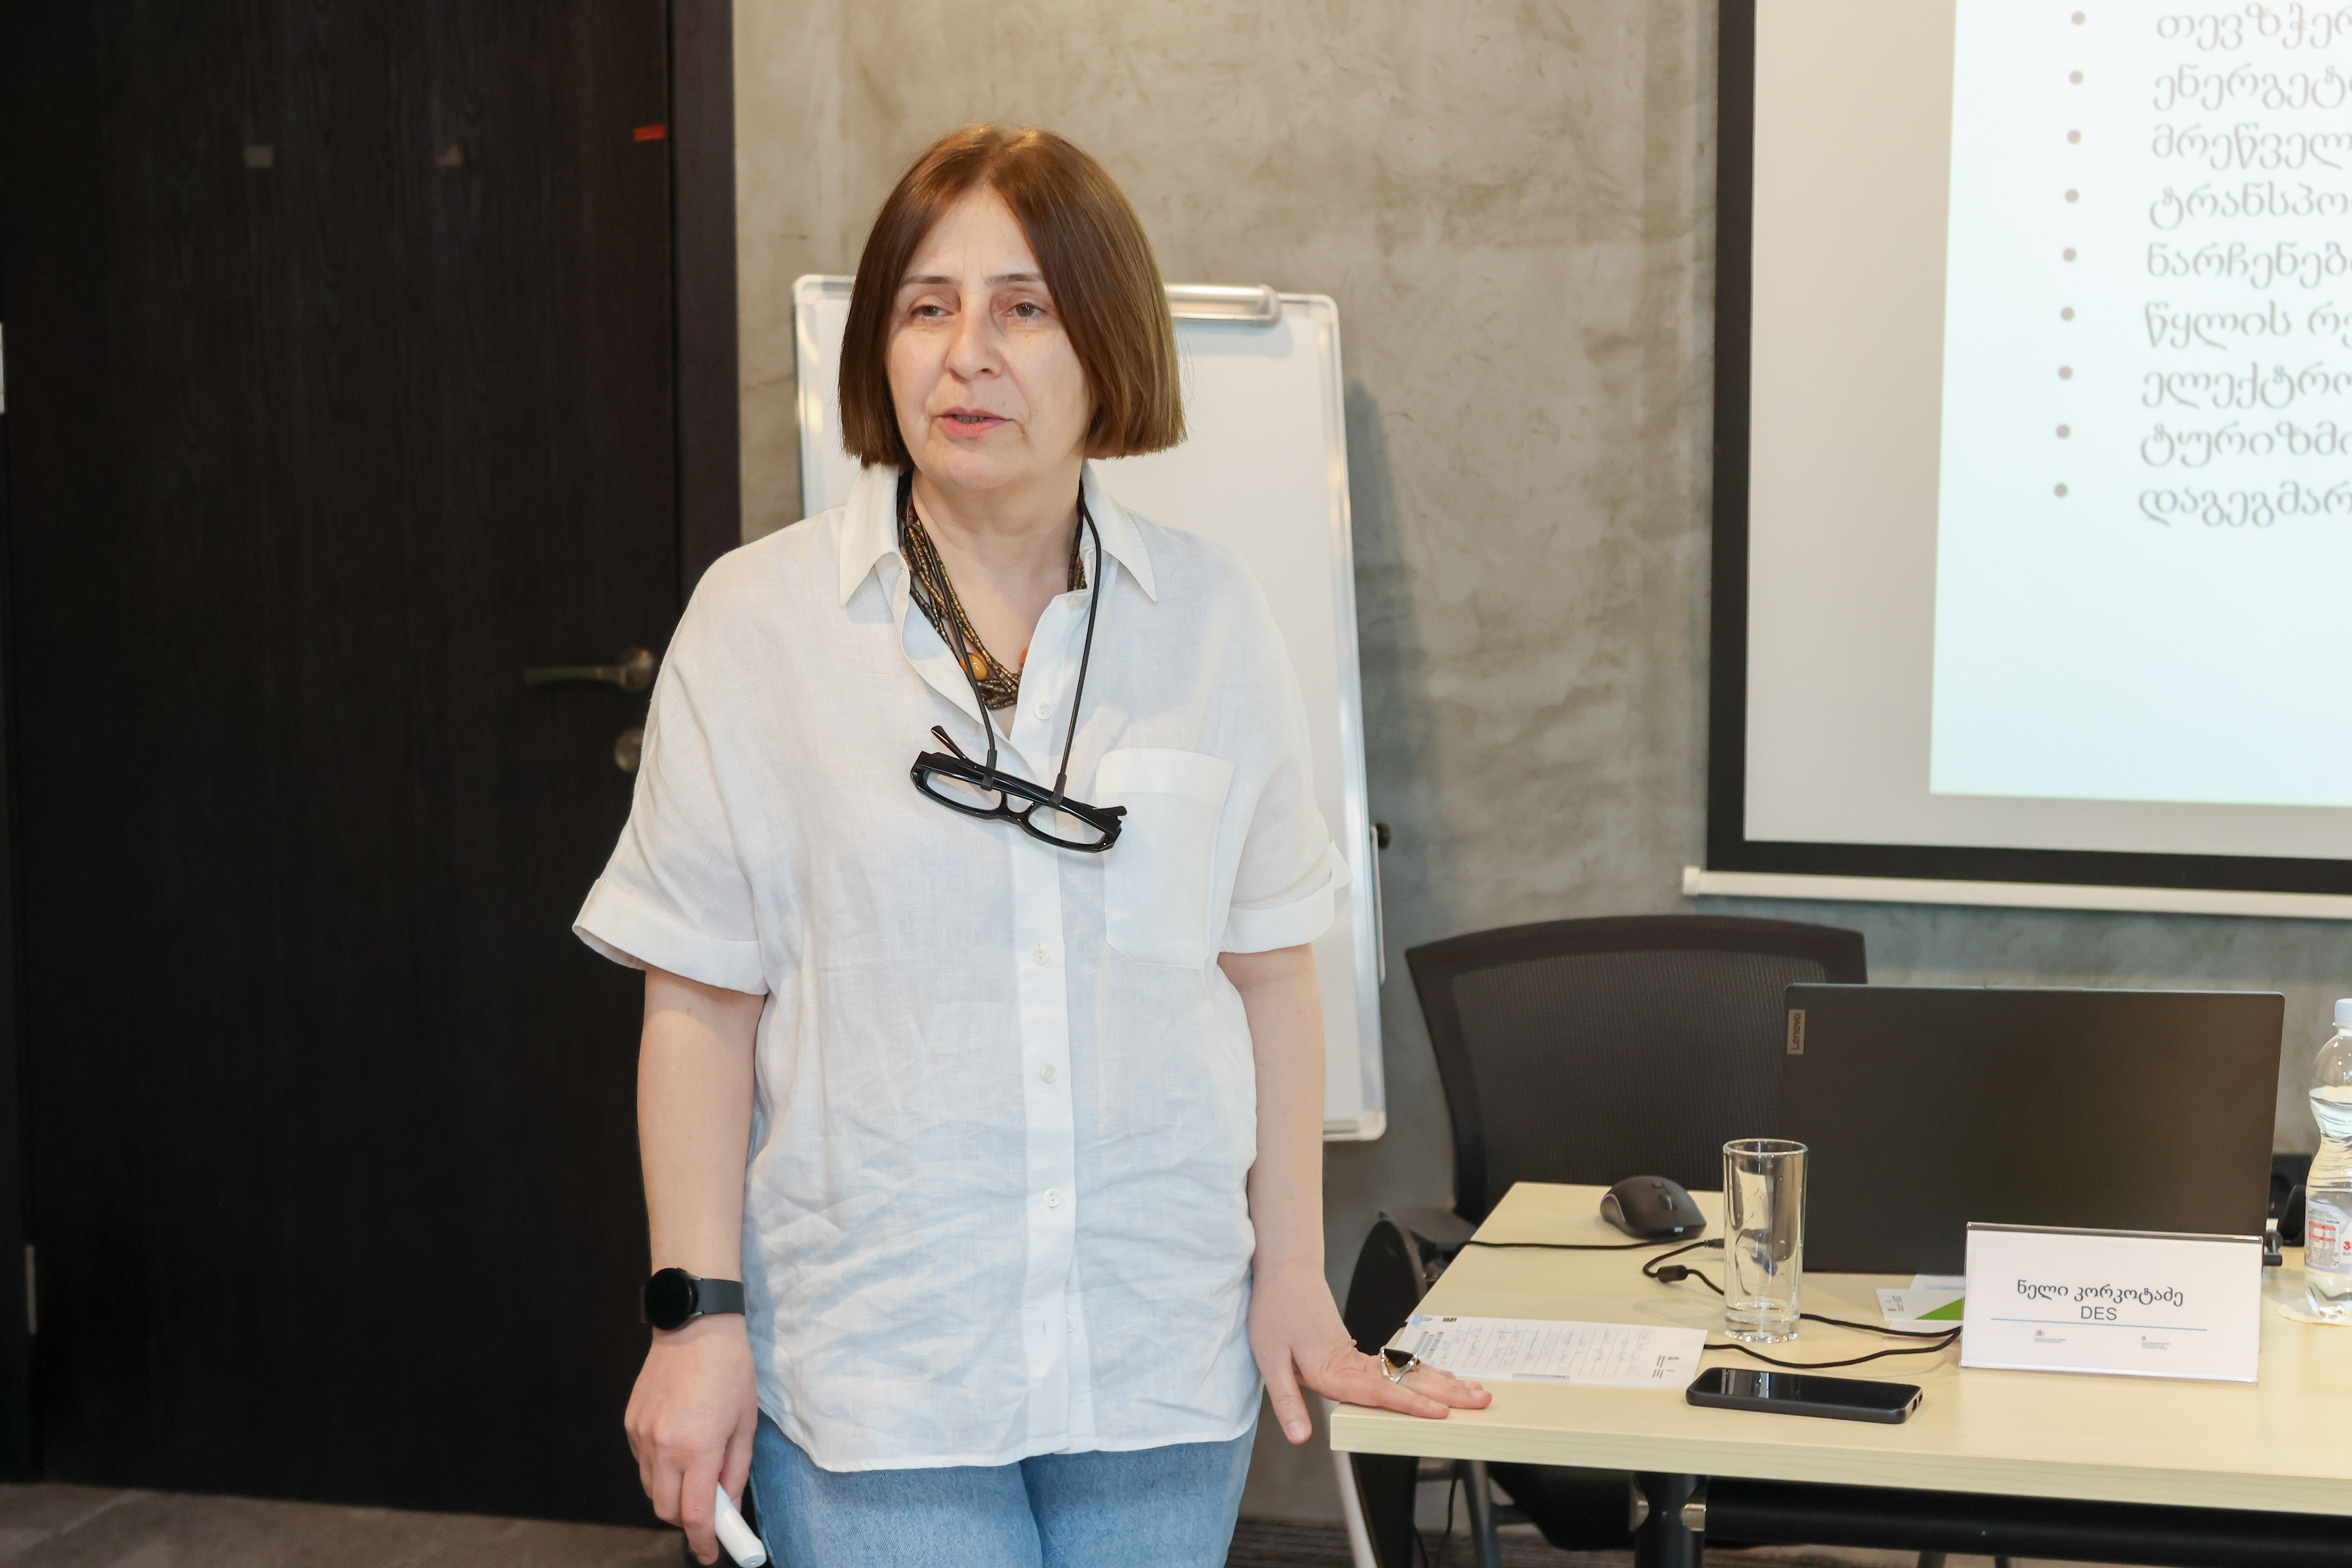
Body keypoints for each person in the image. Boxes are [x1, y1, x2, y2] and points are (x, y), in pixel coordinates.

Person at [575, 124, 1488, 1568]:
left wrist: (1294, 1274)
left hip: (1157, 1352)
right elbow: (699, 1001)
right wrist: (696, 1320)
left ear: (1108, 347)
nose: (967, 355)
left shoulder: (1211, 619)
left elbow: (1271, 975)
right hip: (878, 1366)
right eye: (926, 307)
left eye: (1023, 308)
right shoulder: (758, 627)